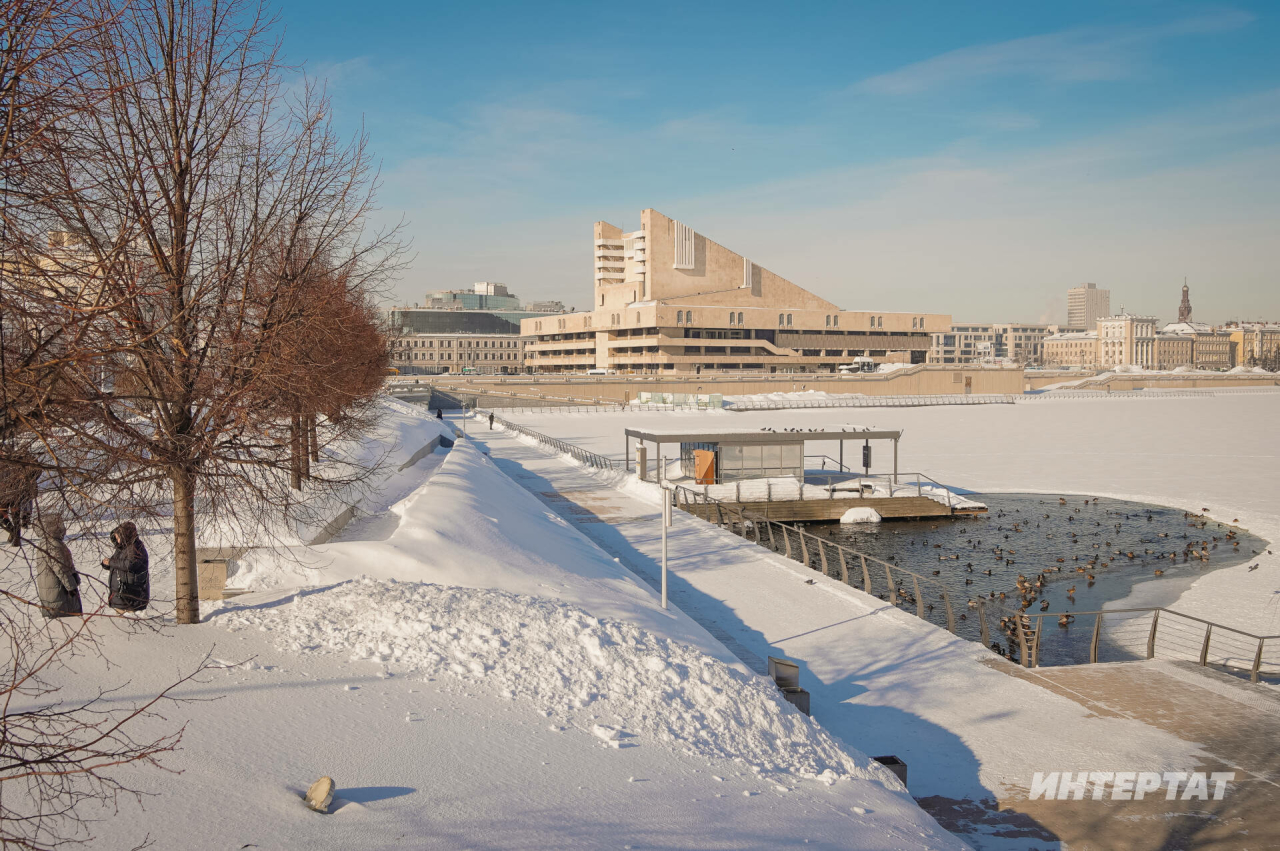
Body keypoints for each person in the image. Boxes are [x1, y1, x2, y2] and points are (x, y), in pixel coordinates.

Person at [35, 513, 82, 618]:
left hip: (50, 591)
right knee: (66, 622)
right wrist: (71, 588)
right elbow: (60, 568)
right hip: (59, 592)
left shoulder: (44, 543)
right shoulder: (53, 545)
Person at [100, 521, 149, 612]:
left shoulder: (136, 547)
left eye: (118, 537)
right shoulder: (122, 547)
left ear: (125, 535)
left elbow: (130, 564)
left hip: (131, 596)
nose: (117, 540)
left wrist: (111, 562)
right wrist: (107, 564)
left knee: (128, 622)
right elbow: (117, 564)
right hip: (121, 595)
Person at [0, 464, 38, 547]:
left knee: (15, 517)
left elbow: (30, 474)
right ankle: (13, 532)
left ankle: (16, 538)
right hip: (5, 495)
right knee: (3, 516)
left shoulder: (15, 461)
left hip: (13, 494)